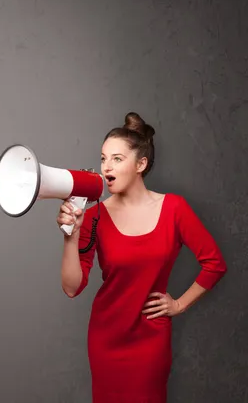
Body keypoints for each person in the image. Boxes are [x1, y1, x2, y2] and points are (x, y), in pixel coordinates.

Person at [57, 112, 227, 403]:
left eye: (117, 159)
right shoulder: (94, 215)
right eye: (103, 158)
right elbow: (72, 287)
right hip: (106, 339)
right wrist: (71, 236)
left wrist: (179, 304)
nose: (106, 167)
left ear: (141, 164)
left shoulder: (174, 208)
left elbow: (214, 264)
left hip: (150, 341)